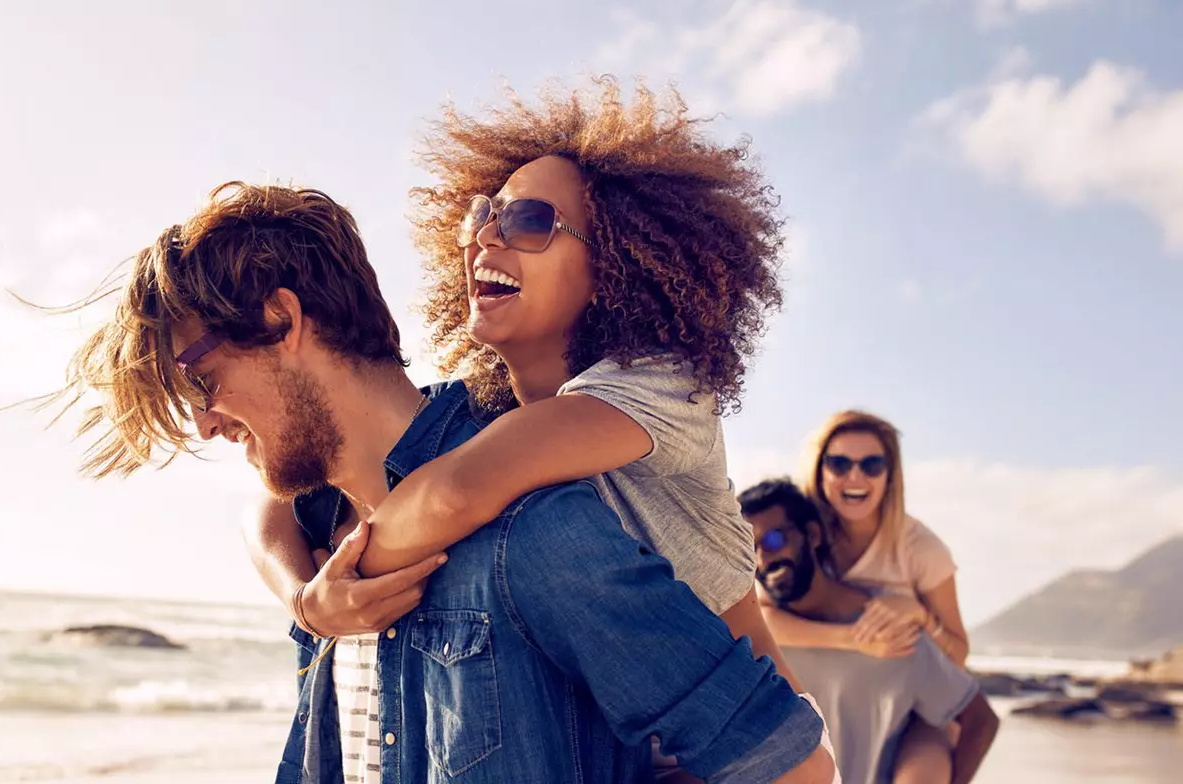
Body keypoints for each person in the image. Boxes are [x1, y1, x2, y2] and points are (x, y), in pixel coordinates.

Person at [54, 181, 834, 783]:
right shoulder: (325, 531)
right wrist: (303, 601)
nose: (204, 423)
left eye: (201, 381)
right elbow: (262, 520)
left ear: (283, 321)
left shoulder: (532, 531)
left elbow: (790, 767)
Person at [247, 78, 824, 781]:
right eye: (484, 215)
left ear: (613, 266)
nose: (487, 234)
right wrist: (305, 601)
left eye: (528, 221)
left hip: (735, 757)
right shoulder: (496, 415)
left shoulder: (661, 388)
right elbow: (284, 499)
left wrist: (347, 586)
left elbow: (455, 490)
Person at [740, 478, 999, 784]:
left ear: (812, 534)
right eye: (749, 548)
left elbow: (980, 720)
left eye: (773, 541)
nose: (763, 559)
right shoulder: (755, 635)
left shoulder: (888, 629)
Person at [759, 410, 971, 781]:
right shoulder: (801, 533)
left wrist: (919, 615)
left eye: (871, 464)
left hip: (912, 710)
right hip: (842, 693)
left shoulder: (921, 549)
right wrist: (854, 641)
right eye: (839, 464)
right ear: (820, 470)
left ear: (890, 476)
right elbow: (765, 617)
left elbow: (958, 655)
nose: (854, 477)